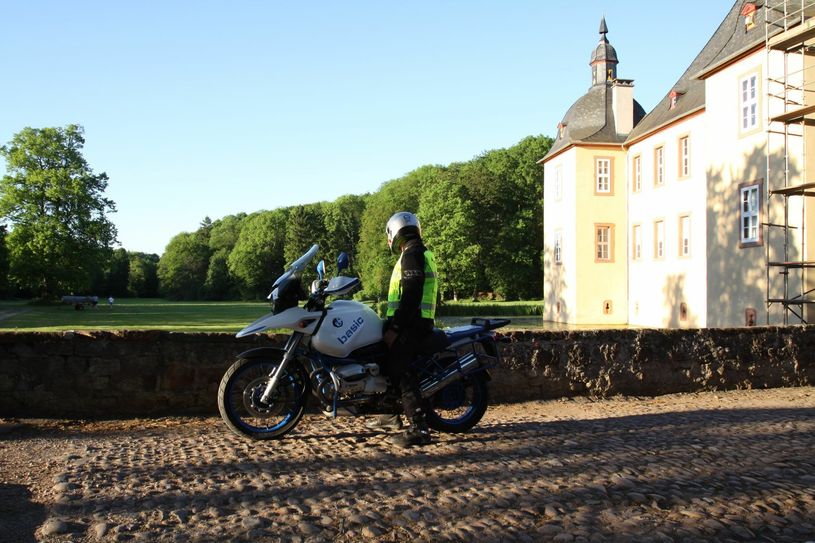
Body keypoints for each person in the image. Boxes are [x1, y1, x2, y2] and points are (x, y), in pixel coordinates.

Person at [366, 211, 438, 448]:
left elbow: (412, 294)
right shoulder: (416, 252)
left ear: (394, 232)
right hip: (414, 322)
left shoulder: (413, 254)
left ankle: (419, 429)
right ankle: (389, 415)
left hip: (413, 325)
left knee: (401, 369)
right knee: (383, 360)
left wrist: (395, 327)